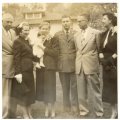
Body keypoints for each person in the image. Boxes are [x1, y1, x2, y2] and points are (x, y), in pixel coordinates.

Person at [74, 13, 103, 117]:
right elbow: (78, 50)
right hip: (79, 66)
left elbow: (100, 49)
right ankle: (83, 111)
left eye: (80, 21)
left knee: (95, 90)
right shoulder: (76, 35)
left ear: (87, 21)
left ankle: (99, 112)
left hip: (91, 65)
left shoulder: (96, 33)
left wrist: (96, 63)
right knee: (81, 92)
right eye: (77, 21)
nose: (78, 23)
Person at [54, 15, 78, 114]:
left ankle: (75, 107)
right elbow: (55, 51)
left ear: (71, 22)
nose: (65, 23)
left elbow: (78, 49)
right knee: (65, 87)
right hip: (62, 65)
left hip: (74, 64)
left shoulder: (76, 33)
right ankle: (66, 107)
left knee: (74, 87)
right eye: (63, 21)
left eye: (67, 21)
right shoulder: (57, 35)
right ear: (61, 23)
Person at [12, 22, 36, 118]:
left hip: (29, 70)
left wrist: (38, 58)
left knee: (29, 92)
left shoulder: (27, 41)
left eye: (28, 30)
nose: (27, 32)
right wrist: (18, 73)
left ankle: (30, 113)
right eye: (25, 30)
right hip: (22, 71)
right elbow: (16, 58)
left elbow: (30, 55)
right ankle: (25, 114)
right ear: (20, 32)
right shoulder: (17, 41)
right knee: (23, 93)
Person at [36, 22, 59, 118]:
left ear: (49, 29)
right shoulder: (37, 40)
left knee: (50, 89)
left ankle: (53, 110)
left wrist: (43, 47)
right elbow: (34, 52)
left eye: (46, 28)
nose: (44, 30)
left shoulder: (53, 39)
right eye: (42, 28)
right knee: (43, 90)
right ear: (40, 29)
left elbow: (55, 53)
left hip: (49, 67)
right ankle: (46, 109)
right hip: (40, 67)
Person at [99, 12, 117, 118]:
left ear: (110, 20)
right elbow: (101, 48)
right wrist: (102, 58)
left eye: (104, 19)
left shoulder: (117, 32)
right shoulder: (104, 33)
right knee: (109, 88)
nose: (102, 20)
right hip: (106, 65)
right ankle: (114, 112)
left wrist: (110, 59)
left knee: (116, 87)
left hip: (115, 63)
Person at [2, 13, 17, 118]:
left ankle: (12, 114)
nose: (10, 24)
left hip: (13, 65)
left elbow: (16, 47)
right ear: (2, 21)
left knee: (13, 92)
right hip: (4, 65)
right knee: (4, 92)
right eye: (7, 21)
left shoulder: (12, 32)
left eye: (11, 22)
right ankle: (3, 115)